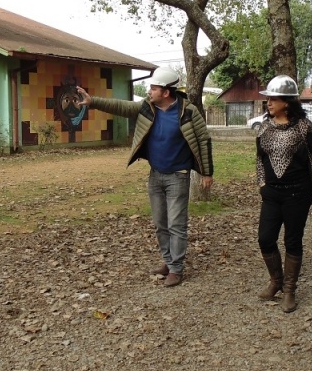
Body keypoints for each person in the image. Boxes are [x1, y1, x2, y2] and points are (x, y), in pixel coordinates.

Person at [75, 67, 213, 287]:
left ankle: (176, 269)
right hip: (155, 175)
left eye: (154, 88)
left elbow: (204, 139)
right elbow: (121, 106)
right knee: (160, 223)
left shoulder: (188, 112)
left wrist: (207, 172)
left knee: (177, 224)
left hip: (178, 175)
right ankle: (168, 261)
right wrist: (94, 102)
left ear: (166, 92)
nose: (149, 91)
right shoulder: (147, 108)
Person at [255, 75, 312, 313]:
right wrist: (261, 183)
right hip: (272, 194)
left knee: (292, 240)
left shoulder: (304, 127)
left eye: (273, 99)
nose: (268, 103)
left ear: (287, 102)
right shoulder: (263, 126)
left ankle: (289, 289)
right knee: (265, 238)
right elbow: (259, 159)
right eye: (268, 98)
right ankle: (276, 281)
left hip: (297, 194)